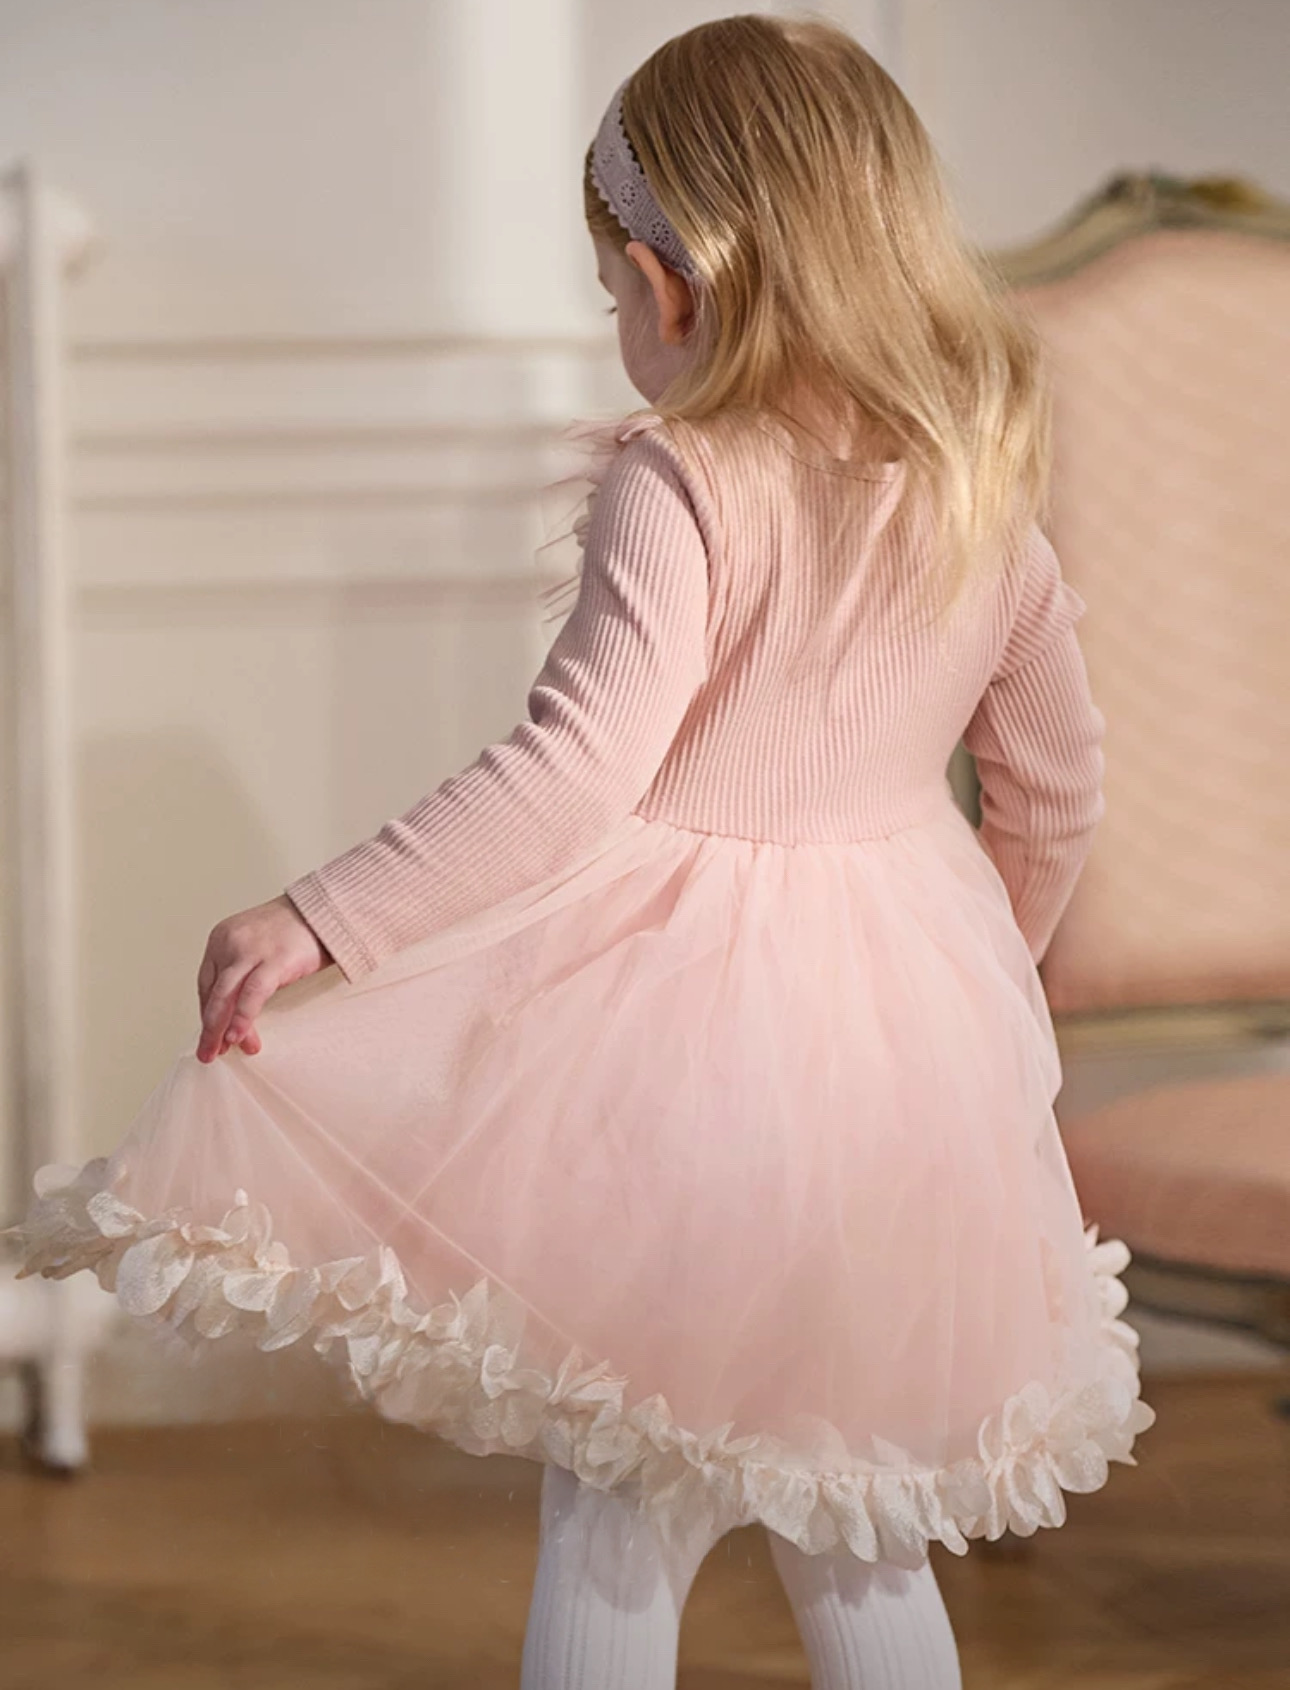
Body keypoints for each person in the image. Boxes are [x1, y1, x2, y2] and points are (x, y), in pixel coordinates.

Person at [6, 14, 1154, 1689]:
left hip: (676, 1048)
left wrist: (319, 916)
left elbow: (569, 772)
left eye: (611, 290)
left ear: (670, 283)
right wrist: (983, 992)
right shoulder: (983, 494)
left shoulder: (683, 480)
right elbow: (1053, 791)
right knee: (855, 1511)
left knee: (622, 1493)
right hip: (895, 1050)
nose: (618, 323)